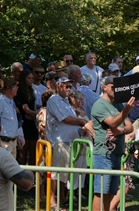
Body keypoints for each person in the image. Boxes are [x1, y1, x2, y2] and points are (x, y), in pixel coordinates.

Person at [91, 76, 134, 211]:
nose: (116, 90)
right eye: (113, 87)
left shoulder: (118, 104)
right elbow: (113, 123)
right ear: (104, 87)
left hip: (117, 152)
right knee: (100, 192)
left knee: (110, 192)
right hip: (104, 153)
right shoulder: (99, 105)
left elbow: (130, 127)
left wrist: (120, 131)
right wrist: (126, 110)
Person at [46, 77, 87, 209]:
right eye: (66, 86)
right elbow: (66, 120)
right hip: (59, 141)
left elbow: (71, 121)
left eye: (70, 86)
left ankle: (62, 198)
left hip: (69, 141)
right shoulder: (54, 100)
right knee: (57, 173)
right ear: (58, 87)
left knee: (64, 173)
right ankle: (52, 202)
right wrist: (82, 122)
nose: (69, 89)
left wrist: (80, 130)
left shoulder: (65, 102)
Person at [0, 77, 21, 158]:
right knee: (3, 168)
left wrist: (17, 136)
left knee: (10, 169)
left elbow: (11, 122)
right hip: (3, 142)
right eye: (16, 87)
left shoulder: (11, 101)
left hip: (12, 142)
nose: (17, 89)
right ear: (11, 89)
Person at [14, 70, 38, 165]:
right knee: (23, 150)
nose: (31, 80)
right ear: (23, 79)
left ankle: (32, 174)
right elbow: (26, 109)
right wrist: (39, 115)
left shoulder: (31, 90)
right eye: (29, 78)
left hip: (32, 122)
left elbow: (33, 106)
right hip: (24, 122)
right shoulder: (20, 91)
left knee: (33, 150)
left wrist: (35, 114)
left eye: (32, 78)